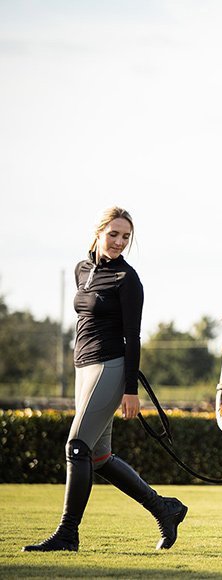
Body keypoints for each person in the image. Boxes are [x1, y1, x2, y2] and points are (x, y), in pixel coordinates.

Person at [23, 207, 188, 552]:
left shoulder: (127, 280)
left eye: (126, 237)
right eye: (113, 234)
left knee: (76, 446)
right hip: (83, 368)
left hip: (110, 366)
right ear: (98, 232)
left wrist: (130, 390)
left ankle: (68, 534)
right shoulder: (81, 270)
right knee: (98, 456)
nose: (119, 242)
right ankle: (164, 508)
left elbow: (134, 337)